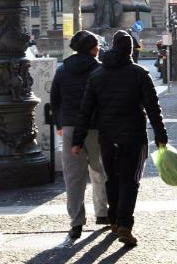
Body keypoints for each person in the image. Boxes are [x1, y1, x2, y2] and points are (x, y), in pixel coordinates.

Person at [72, 30, 168, 248]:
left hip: (107, 136)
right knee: (130, 181)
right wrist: (161, 136)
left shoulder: (98, 75)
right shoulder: (139, 74)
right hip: (133, 135)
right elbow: (153, 108)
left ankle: (114, 220)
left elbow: (85, 110)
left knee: (112, 179)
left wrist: (77, 140)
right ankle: (125, 224)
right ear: (131, 50)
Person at [50, 30, 109, 240]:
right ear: (92, 49)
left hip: (69, 127)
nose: (99, 49)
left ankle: (76, 223)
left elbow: (54, 99)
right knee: (99, 170)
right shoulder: (99, 70)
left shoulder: (63, 69)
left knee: (73, 178)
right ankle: (102, 213)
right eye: (97, 46)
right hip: (94, 127)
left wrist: (60, 123)